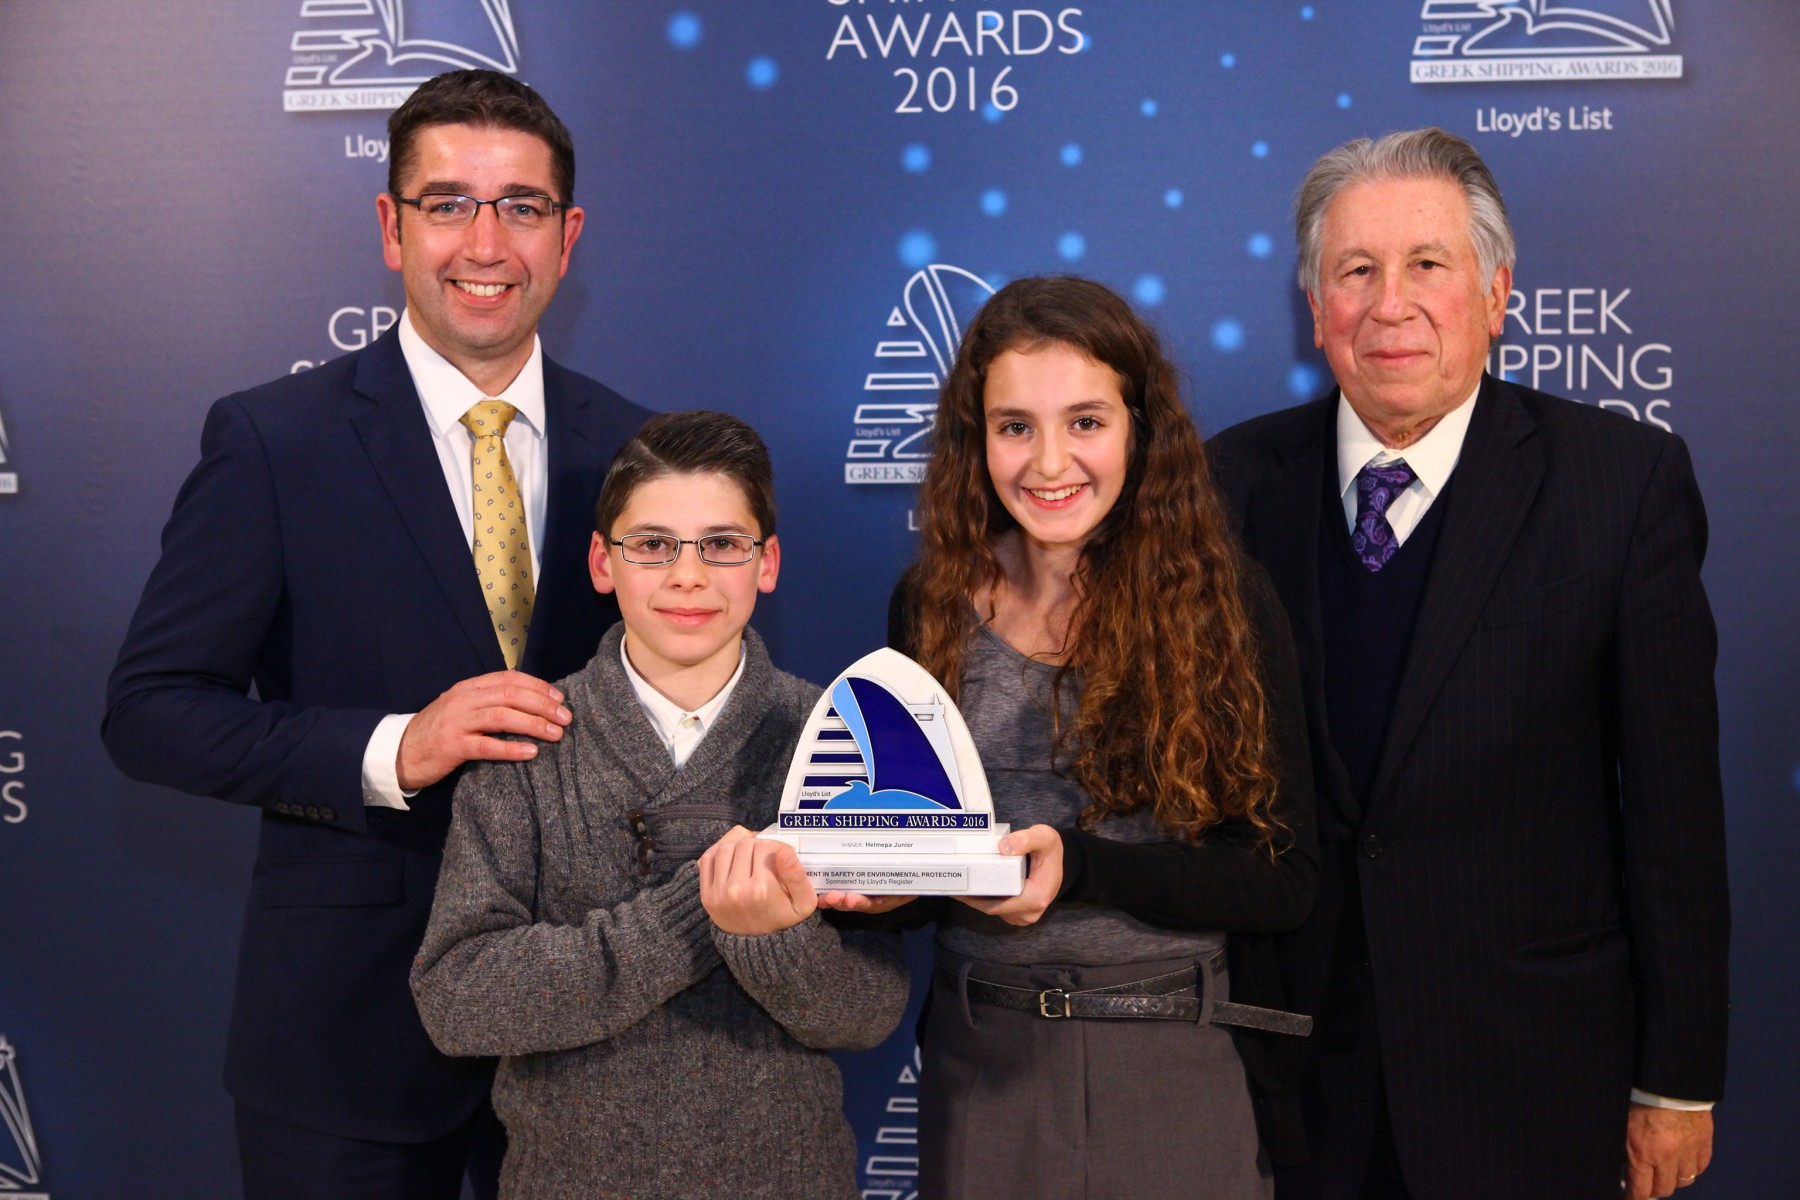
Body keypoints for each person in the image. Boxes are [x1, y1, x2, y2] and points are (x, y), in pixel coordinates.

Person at [101, 69, 649, 1198]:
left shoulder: (646, 455)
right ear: (391, 229)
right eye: (447, 203)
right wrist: (395, 750)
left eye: (522, 207)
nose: (485, 241)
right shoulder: (273, 442)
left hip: (592, 1045)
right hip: (343, 1045)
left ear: (569, 235)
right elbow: (153, 713)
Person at [1207, 128, 1729, 1200]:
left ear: (1495, 296)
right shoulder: (1228, 487)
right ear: (1316, 308)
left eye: (1427, 266)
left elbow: (1675, 813)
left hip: (1534, 1080)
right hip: (1287, 1085)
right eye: (1356, 271)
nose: (1389, 303)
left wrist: (1676, 1083)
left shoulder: (1620, 486)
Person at [864, 276, 1318, 1198]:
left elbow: (1283, 877)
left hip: (1176, 1057)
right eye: (1015, 426)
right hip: (981, 1057)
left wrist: (1081, 867)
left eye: (1085, 421)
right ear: (974, 439)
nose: (1047, 462)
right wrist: (877, 887)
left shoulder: (1221, 602)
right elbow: (925, 867)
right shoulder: (930, 607)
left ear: (1138, 430)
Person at [410, 410, 909, 1198]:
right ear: (602, 563)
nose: (688, 575)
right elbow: (460, 1000)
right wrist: (697, 910)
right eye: (652, 545)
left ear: (767, 562)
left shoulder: (841, 740)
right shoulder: (528, 748)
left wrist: (772, 938)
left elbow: (867, 1011)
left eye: (722, 544)